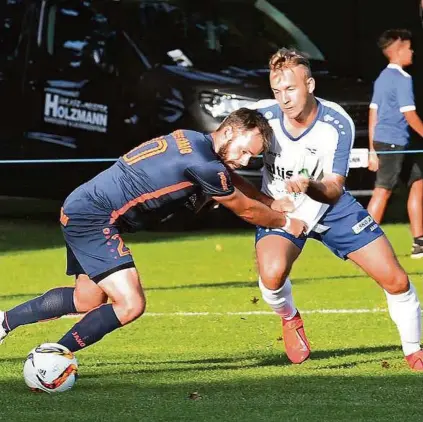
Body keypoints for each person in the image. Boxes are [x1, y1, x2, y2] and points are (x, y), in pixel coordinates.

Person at [0, 108, 301, 353]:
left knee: (86, 300)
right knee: (131, 304)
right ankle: (53, 358)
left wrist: (271, 202)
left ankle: (4, 323)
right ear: (231, 130)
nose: (245, 160)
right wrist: (285, 222)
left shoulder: (192, 139)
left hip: (82, 206)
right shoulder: (205, 164)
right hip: (94, 218)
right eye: (246, 151)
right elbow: (244, 209)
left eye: (252, 157)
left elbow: (229, 178)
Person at [234, 48, 422, 370]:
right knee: (272, 274)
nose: (284, 99)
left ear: (309, 86)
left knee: (396, 280)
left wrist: (310, 186)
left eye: (290, 89)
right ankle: (290, 317)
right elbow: (227, 154)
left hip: (332, 207)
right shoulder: (261, 116)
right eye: (277, 91)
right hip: (282, 207)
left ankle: (414, 350)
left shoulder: (337, 123)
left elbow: (334, 188)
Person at [367, 29, 423, 259]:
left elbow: (373, 113)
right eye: (409, 48)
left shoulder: (382, 77)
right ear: (398, 50)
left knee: (419, 182)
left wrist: (372, 148)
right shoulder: (402, 78)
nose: (412, 52)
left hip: (397, 142)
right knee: (383, 191)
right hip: (392, 143)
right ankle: (362, 244)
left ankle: (419, 242)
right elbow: (410, 115)